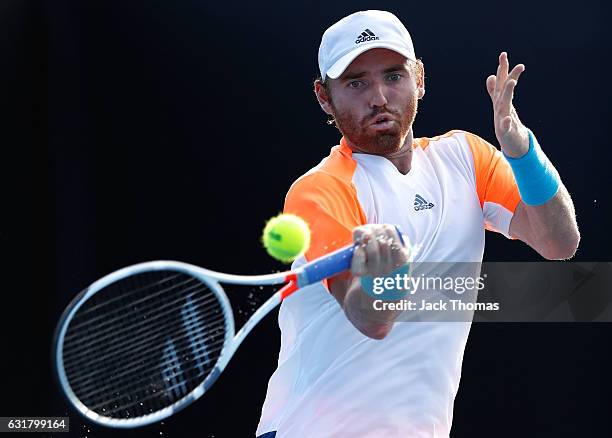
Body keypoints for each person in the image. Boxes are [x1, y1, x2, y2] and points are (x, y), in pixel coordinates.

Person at [256, 10, 579, 438]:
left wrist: (522, 153)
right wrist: (385, 275)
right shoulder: (320, 190)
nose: (379, 97)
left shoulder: (466, 158)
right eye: (356, 83)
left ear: (419, 78)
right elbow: (371, 319)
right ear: (323, 96)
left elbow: (559, 242)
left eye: (393, 76)